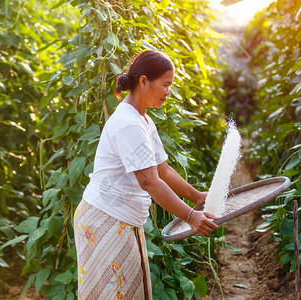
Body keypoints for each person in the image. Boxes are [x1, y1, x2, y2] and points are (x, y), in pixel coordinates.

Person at [73, 50, 219, 300]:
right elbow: (150, 181)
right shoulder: (129, 124)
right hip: (105, 220)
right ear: (143, 81)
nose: (168, 92)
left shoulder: (143, 120)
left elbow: (163, 170)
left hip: (120, 220)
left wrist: (196, 196)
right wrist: (190, 216)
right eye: (165, 85)